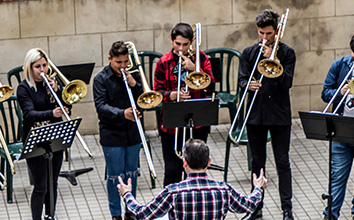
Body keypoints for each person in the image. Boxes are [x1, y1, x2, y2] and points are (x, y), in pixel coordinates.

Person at [238, 9, 296, 220]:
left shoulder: (288, 53)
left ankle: (287, 210)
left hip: (279, 114)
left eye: (269, 33)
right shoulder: (249, 53)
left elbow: (287, 83)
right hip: (256, 114)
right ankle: (256, 208)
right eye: (261, 33)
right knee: (257, 162)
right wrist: (248, 85)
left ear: (277, 31)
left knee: (282, 162)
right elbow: (242, 80)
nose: (264, 38)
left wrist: (275, 61)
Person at [118, 139, 267, 219]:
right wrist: (258, 188)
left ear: (184, 163)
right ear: (208, 162)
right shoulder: (224, 190)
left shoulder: (173, 192)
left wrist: (127, 195)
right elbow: (250, 205)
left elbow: (142, 213)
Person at [153, 22, 215, 187]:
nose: (181, 48)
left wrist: (195, 69)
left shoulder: (201, 58)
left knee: (197, 170)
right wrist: (172, 95)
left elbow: (212, 85)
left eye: (185, 44)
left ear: (192, 41)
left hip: (197, 122)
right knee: (172, 170)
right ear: (172, 41)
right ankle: (170, 210)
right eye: (177, 44)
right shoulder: (163, 62)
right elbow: (157, 93)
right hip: (171, 124)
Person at [17, 48, 71, 220]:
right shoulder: (24, 88)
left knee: (53, 182)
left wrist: (59, 93)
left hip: (55, 136)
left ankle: (50, 216)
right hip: (35, 139)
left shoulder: (53, 84)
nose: (42, 70)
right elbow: (29, 114)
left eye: (45, 65)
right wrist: (51, 113)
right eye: (37, 66)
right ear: (29, 68)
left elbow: (65, 108)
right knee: (41, 185)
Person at [93, 41, 143, 220]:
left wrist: (134, 84)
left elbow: (144, 97)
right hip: (112, 133)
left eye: (125, 62)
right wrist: (123, 113)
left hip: (132, 132)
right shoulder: (101, 79)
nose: (122, 66)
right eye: (118, 62)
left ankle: (131, 209)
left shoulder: (132, 76)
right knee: (115, 175)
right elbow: (101, 107)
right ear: (109, 59)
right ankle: (115, 214)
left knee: (132, 172)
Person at [320, 35, 354, 220]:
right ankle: (330, 215)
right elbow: (325, 93)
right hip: (341, 130)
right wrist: (340, 92)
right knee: (338, 177)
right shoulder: (340, 65)